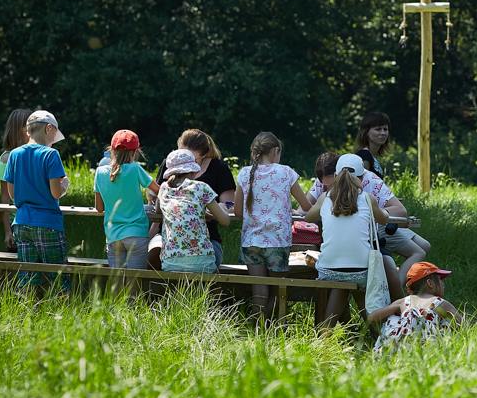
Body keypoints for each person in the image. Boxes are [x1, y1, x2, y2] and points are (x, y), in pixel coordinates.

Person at [305, 153, 392, 327]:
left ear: (336, 176)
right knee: (355, 281)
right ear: (361, 178)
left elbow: (308, 217)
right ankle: (376, 333)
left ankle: (326, 333)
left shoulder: (325, 198)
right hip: (361, 269)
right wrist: (386, 213)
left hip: (329, 269)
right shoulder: (368, 199)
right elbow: (384, 219)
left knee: (342, 282)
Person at [235, 131, 313, 321]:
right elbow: (306, 207)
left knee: (259, 292)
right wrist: (292, 212)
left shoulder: (244, 173)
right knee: (279, 291)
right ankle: (274, 329)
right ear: (275, 151)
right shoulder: (286, 172)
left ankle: (254, 328)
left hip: (251, 241)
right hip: (277, 241)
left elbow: (238, 212)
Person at [353, 111, 433, 274]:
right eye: (377, 129)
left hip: (383, 214)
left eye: (385, 129)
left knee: (425, 245)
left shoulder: (373, 156)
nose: (383, 133)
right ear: (366, 132)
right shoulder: (364, 156)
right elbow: (359, 187)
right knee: (419, 251)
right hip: (373, 221)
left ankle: (396, 277)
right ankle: (397, 287)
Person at [3, 109, 71, 293]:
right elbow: (56, 193)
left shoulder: (15, 154)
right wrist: (64, 185)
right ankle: (61, 314)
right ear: (49, 129)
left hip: (22, 223)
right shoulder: (51, 155)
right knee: (58, 276)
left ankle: (27, 315)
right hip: (48, 223)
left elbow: (12, 194)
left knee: (28, 277)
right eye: (55, 135)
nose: (54, 141)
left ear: (27, 131)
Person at [153, 129, 236, 271]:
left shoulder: (219, 168)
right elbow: (158, 206)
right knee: (152, 254)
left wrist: (218, 207)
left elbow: (231, 204)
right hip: (168, 235)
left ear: (204, 154)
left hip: (207, 238)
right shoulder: (169, 166)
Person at [93, 129, 154, 270]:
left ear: (112, 150)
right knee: (134, 284)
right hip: (137, 233)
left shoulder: (100, 172)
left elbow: (99, 208)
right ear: (135, 152)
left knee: (117, 284)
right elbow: (158, 190)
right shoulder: (135, 169)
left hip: (113, 236)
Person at [370, 262, 462, 354]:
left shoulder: (404, 302)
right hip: (426, 349)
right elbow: (461, 324)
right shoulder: (439, 303)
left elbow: (372, 317)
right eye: (440, 280)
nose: (443, 284)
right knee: (446, 321)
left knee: (394, 318)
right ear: (430, 283)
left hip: (399, 347)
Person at [0, 108, 33, 251]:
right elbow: (5, 198)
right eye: (29, 127)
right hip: (17, 222)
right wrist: (7, 231)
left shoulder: (33, 155)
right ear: (19, 130)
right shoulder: (7, 158)